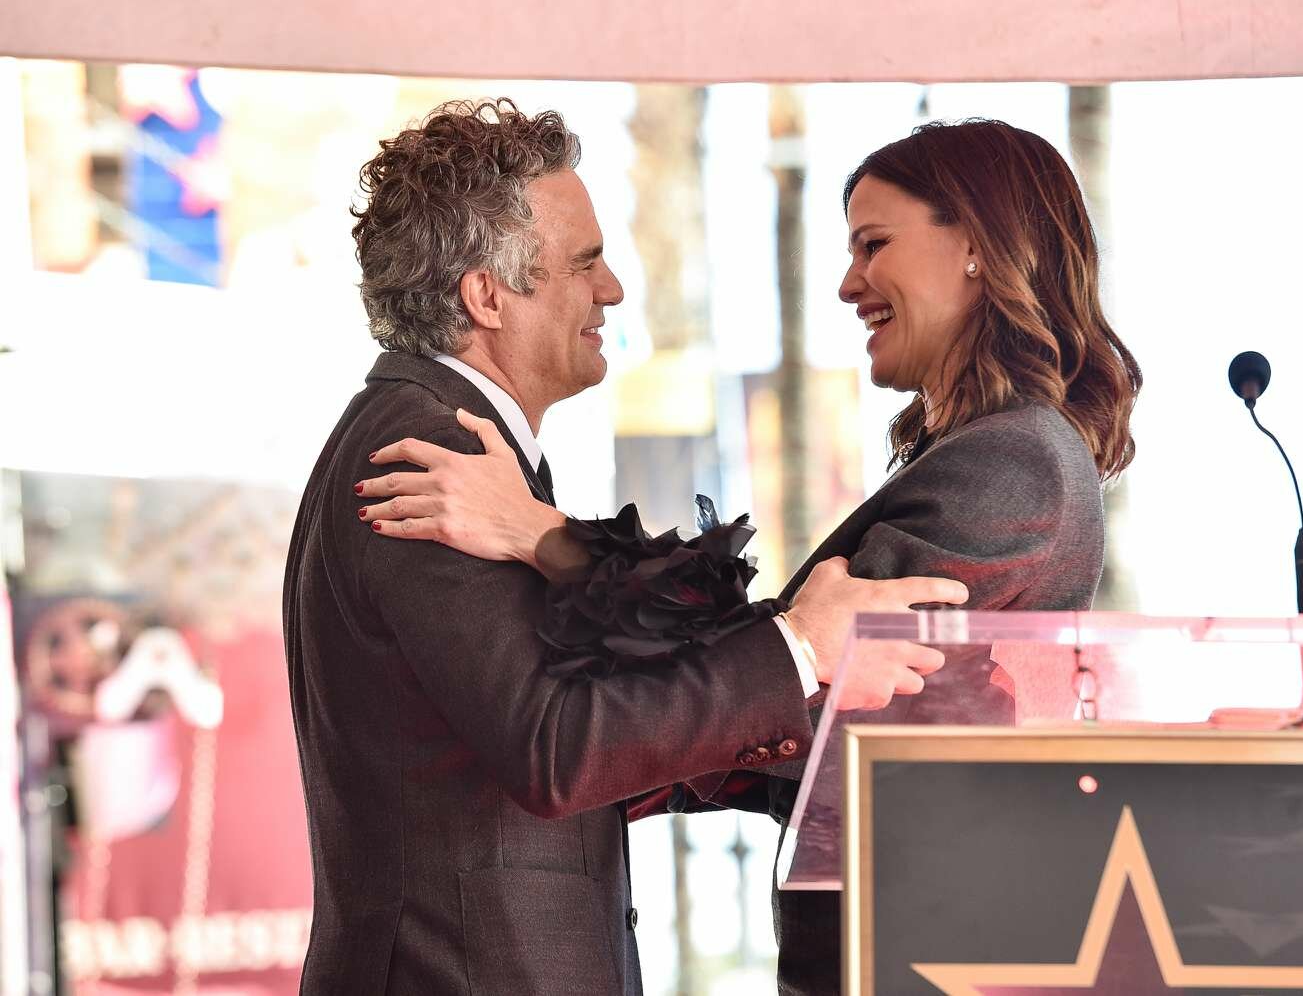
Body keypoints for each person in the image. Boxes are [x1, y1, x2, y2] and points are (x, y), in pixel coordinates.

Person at [363, 118, 1141, 993]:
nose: (850, 283)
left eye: (874, 245)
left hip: (924, 949)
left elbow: (827, 670)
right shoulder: (987, 453)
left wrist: (544, 538)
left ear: (978, 247)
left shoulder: (1018, 460)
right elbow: (789, 655)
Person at [282, 99, 969, 996]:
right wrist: (799, 647)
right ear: (486, 294)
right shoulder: (434, 451)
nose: (609, 290)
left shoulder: (453, 442)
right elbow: (556, 744)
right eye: (584, 263)